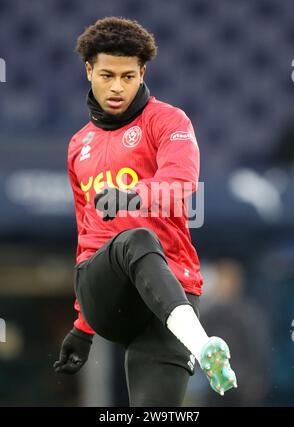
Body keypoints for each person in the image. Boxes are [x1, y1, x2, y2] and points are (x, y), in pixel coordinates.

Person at [53, 17, 237, 406]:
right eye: (106, 75)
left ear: (143, 73)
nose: (117, 87)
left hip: (171, 292)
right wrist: (82, 327)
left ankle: (203, 351)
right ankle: (204, 345)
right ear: (89, 71)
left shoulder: (170, 122)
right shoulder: (77, 146)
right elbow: (87, 238)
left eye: (128, 76)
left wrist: (128, 196)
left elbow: (182, 185)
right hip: (107, 294)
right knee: (135, 239)